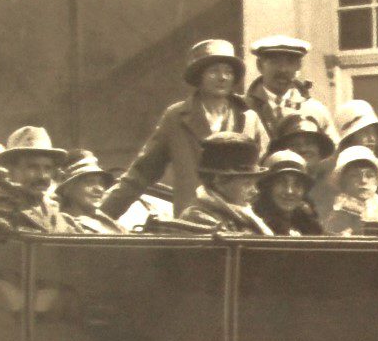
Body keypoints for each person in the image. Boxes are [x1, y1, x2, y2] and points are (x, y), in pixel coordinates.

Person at [100, 39, 270, 219]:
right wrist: (99, 216)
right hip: (192, 223)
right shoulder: (176, 117)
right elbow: (141, 173)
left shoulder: (248, 118)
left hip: (241, 222)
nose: (222, 77)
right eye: (214, 71)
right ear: (199, 76)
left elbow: (266, 175)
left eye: (228, 71)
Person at [244, 35, 337, 145]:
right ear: (259, 65)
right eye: (275, 62)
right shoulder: (244, 109)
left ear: (299, 66)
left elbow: (333, 150)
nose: (283, 69)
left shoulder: (315, 111)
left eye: (290, 62)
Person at [179, 132, 273, 235]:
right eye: (247, 183)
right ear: (218, 180)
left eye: (254, 184)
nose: (254, 191)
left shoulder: (242, 215)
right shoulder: (197, 218)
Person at [0, 126, 78, 233]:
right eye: (32, 167)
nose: (43, 176)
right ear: (10, 170)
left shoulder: (54, 216)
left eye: (48, 168)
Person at [323, 145, 378, 236]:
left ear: (377, 181)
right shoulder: (334, 216)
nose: (363, 181)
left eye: (369, 176)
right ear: (343, 181)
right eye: (354, 175)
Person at [253, 150, 322, 235]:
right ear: (267, 187)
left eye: (297, 184)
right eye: (281, 182)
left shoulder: (309, 225)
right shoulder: (253, 225)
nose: (289, 191)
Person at [55, 153, 125, 233]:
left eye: (101, 183)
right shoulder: (62, 223)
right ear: (68, 188)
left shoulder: (108, 222)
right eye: (90, 182)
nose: (99, 189)